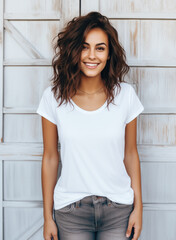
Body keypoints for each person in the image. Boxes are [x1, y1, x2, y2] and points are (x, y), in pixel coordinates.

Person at [36, 11, 144, 240]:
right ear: (74, 51)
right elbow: (50, 157)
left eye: (100, 48)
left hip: (119, 209)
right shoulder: (53, 98)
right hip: (70, 211)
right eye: (84, 47)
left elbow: (131, 154)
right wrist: (47, 217)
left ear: (109, 53)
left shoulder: (126, 96)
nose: (92, 56)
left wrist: (138, 208)